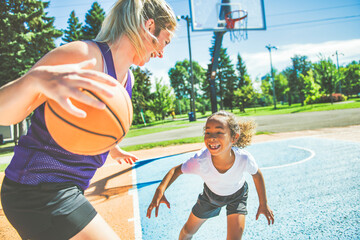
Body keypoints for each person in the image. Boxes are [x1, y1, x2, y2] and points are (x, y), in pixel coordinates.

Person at [0, 0, 177, 239]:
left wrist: (112, 147)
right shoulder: (85, 56)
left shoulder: (127, 80)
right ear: (150, 25)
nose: (162, 52)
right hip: (36, 187)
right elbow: (4, 113)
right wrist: (33, 80)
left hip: (66, 188)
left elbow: (94, 122)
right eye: (164, 41)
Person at [147, 111, 274, 239]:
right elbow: (176, 170)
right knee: (187, 231)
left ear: (234, 137)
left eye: (219, 132)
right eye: (207, 132)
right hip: (210, 198)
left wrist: (263, 203)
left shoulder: (244, 158)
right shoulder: (200, 160)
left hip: (238, 196)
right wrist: (160, 189)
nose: (212, 137)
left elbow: (257, 175)